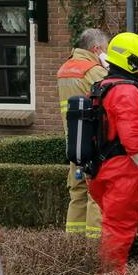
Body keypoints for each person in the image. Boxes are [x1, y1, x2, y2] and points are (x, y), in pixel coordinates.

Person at [85, 32, 138, 274]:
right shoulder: (127, 92)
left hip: (99, 169)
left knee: (110, 225)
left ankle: (108, 273)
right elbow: (133, 140)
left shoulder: (101, 87)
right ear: (131, 61)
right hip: (122, 173)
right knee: (119, 228)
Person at [57, 28, 110, 239]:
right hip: (95, 143)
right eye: (105, 50)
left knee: (77, 193)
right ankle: (93, 248)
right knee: (95, 195)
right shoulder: (93, 71)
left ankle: (73, 245)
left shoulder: (64, 69)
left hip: (74, 143)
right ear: (96, 49)